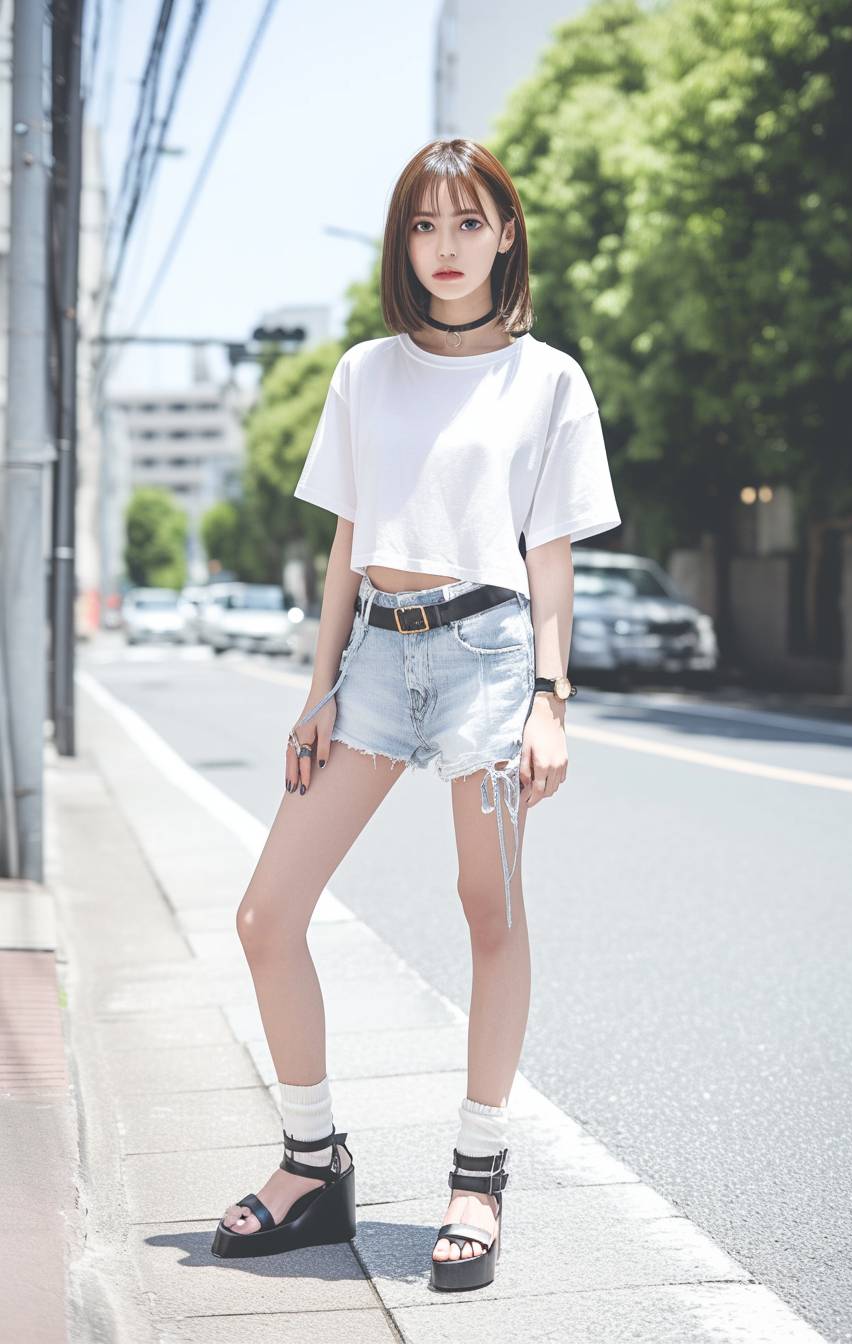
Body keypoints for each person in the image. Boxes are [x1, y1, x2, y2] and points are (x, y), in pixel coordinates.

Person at [211, 138, 621, 1291]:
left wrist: (550, 696)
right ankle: (310, 1160)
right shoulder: (361, 372)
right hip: (376, 666)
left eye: (467, 224)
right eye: (423, 227)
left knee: (487, 911)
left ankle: (478, 1174)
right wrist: (318, 686)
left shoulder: (548, 381)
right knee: (264, 913)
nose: (445, 248)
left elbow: (550, 553)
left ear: (505, 235)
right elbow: (349, 539)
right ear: (405, 243)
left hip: (491, 656)